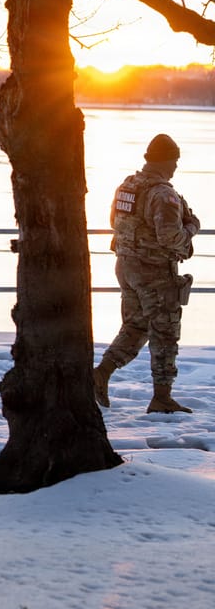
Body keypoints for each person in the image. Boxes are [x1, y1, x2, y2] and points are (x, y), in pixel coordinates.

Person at [94, 133, 200, 414]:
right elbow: (170, 237)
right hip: (154, 272)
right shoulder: (163, 194)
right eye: (174, 161)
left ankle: (101, 374)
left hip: (126, 266)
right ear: (166, 161)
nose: (175, 167)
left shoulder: (127, 186)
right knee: (165, 332)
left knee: (136, 326)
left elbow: (114, 221)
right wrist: (192, 227)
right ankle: (162, 397)